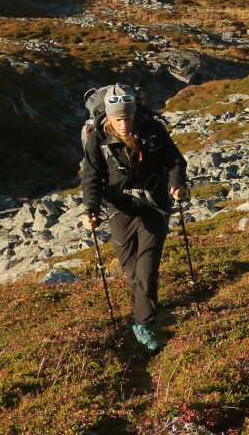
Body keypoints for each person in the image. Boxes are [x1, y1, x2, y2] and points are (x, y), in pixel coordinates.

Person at [80, 85, 187, 354]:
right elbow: (91, 175)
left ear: (134, 114)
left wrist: (177, 184)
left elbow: (175, 160)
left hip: (154, 203)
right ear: (109, 118)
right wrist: (90, 209)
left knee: (147, 269)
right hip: (119, 206)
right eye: (118, 119)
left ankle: (143, 325)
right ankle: (145, 305)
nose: (124, 123)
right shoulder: (97, 137)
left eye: (127, 118)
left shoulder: (151, 129)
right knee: (131, 271)